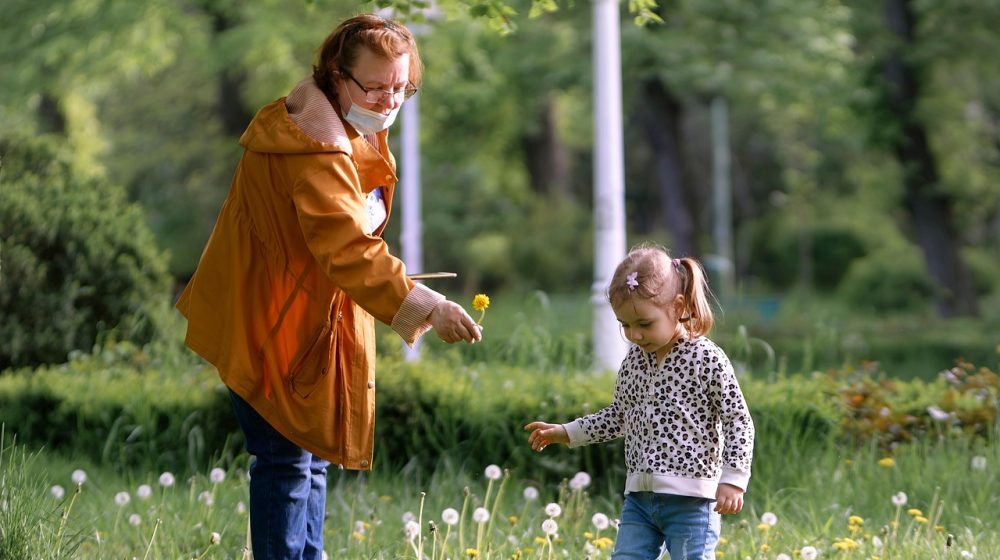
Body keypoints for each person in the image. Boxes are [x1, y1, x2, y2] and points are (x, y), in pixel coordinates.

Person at [175, 14, 482, 559]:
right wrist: (427, 306)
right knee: (288, 465)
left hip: (300, 320)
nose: (389, 100)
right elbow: (347, 247)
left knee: (307, 461)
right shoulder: (313, 145)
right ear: (337, 77)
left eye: (400, 87)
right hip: (271, 321)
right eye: (376, 86)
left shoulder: (345, 127)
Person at [524, 243, 754, 560]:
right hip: (640, 500)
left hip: (691, 500)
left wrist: (734, 479)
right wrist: (569, 432)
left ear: (678, 306)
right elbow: (620, 415)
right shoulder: (634, 360)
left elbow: (738, 419)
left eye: (644, 324)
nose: (633, 334)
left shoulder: (706, 358)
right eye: (625, 325)